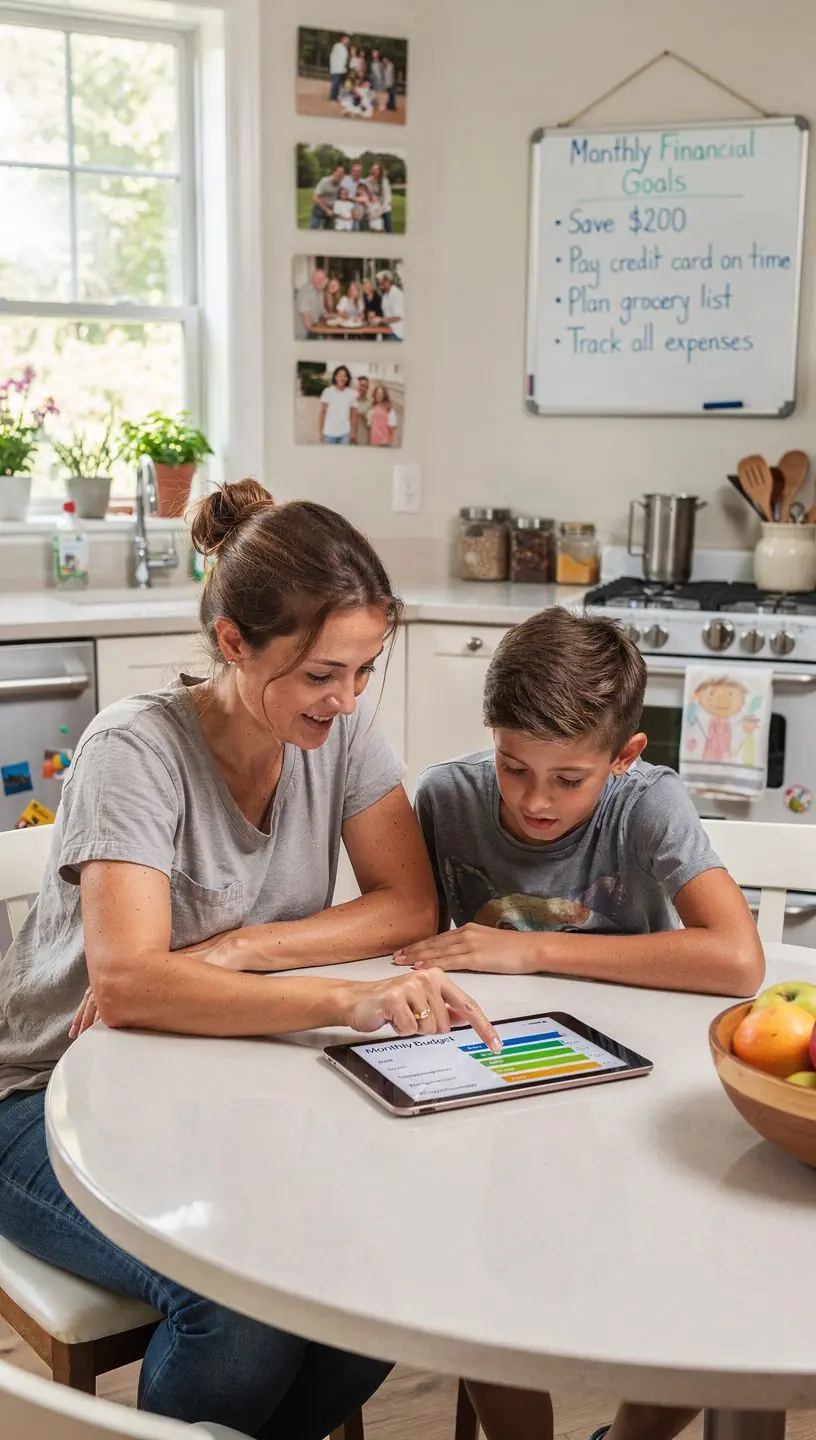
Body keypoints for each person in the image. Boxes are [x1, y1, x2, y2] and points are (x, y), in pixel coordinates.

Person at [0, 479, 501, 1436]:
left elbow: (407, 901)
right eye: (321, 673)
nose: (348, 699)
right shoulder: (133, 751)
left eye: (364, 670)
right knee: (239, 1304)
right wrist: (347, 1003)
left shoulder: (338, 730)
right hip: (45, 1099)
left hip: (214, 1077)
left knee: (379, 1273)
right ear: (234, 642)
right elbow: (132, 983)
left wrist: (236, 951)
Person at [394, 607, 765, 1440]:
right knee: (474, 1276)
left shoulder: (648, 804)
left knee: (712, 1288)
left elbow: (737, 960)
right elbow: (405, 936)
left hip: (638, 1098)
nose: (534, 801)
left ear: (623, 757)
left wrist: (535, 955)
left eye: (568, 780)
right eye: (513, 766)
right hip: (495, 1093)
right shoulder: (447, 799)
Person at [319, 364, 356, 444]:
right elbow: (322, 413)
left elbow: (353, 416)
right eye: (340, 375)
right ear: (335, 377)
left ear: (347, 378)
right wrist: (320, 431)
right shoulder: (328, 392)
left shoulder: (351, 394)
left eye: (344, 376)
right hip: (329, 433)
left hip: (344, 434)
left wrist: (352, 432)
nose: (342, 378)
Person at [296, 266, 326, 339]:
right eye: (317, 278)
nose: (320, 281)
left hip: (315, 328)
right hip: (305, 334)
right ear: (312, 278)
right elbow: (306, 319)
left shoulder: (319, 291)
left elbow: (322, 311)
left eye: (322, 279)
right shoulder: (305, 291)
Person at [377, 269, 404, 340]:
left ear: (388, 281)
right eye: (379, 283)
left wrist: (381, 320)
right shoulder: (385, 295)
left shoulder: (396, 294)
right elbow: (386, 313)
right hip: (387, 330)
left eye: (382, 283)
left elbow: (398, 317)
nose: (380, 285)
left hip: (396, 333)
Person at [366, 162, 393, 234]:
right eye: (373, 169)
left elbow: (388, 198)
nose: (375, 171)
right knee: (376, 230)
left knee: (388, 230)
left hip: (385, 208)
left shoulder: (384, 181)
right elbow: (370, 194)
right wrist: (368, 182)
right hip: (375, 208)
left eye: (377, 169)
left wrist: (380, 211)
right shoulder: (370, 181)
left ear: (380, 171)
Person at [329, 34, 349, 103]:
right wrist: (333, 67)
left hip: (342, 69)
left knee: (339, 85)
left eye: (348, 40)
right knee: (335, 83)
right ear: (342, 39)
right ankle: (332, 98)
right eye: (346, 39)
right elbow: (333, 56)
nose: (347, 41)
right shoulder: (337, 46)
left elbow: (344, 60)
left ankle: (336, 97)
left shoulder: (345, 48)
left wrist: (344, 68)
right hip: (336, 68)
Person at [351, 375, 372, 444]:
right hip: (349, 435)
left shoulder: (370, 403)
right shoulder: (350, 400)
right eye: (361, 385)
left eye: (366, 387)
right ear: (357, 385)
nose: (363, 388)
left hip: (363, 436)